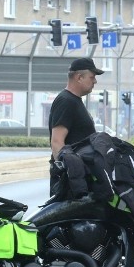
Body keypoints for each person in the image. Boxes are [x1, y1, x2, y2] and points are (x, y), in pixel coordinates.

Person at [48, 57, 102, 194]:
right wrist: (72, 179)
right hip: (72, 184)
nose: (95, 81)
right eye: (92, 77)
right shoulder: (66, 101)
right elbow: (57, 142)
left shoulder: (74, 101)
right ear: (79, 78)